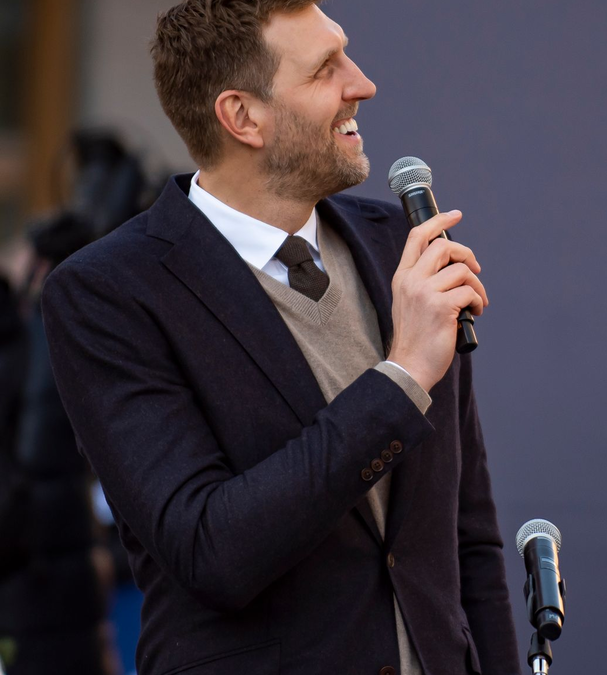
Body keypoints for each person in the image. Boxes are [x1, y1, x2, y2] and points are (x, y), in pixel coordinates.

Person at [39, 1, 520, 673]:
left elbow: (468, 539)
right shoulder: (108, 294)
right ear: (242, 117)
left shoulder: (396, 249)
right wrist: (402, 374)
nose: (362, 83)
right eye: (327, 69)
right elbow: (212, 550)